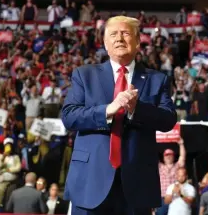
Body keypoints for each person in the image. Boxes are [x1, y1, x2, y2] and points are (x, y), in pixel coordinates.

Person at [61, 16, 177, 215]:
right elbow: (69, 116)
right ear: (105, 43)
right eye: (113, 34)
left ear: (138, 41)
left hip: (137, 184)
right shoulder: (84, 75)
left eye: (125, 33)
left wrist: (136, 109)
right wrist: (107, 110)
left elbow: (168, 120)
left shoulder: (157, 79)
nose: (119, 38)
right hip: (90, 181)